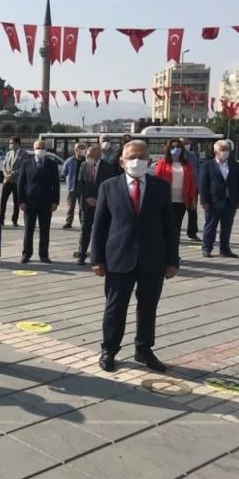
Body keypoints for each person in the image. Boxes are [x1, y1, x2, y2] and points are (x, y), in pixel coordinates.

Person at [91, 140, 177, 373]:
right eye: (131, 157)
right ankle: (109, 349)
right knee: (115, 307)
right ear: (122, 161)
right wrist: (97, 259)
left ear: (149, 161)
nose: (136, 161)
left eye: (141, 157)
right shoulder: (109, 187)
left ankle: (144, 349)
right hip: (119, 257)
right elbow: (99, 226)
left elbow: (170, 227)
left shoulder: (160, 187)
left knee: (148, 307)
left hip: (153, 258)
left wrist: (172, 261)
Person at [200, 140, 239, 258]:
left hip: (230, 202)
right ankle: (207, 248)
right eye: (223, 149)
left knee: (227, 227)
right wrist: (203, 201)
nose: (226, 152)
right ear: (216, 152)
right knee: (211, 226)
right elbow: (203, 184)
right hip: (213, 202)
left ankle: (225, 249)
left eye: (227, 149)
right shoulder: (207, 165)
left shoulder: (235, 165)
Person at [17, 140, 60, 263]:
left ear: (46, 149)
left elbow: (56, 184)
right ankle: (26, 254)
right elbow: (20, 184)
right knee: (28, 230)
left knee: (45, 230)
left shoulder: (52, 164)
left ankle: (44, 255)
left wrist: (55, 201)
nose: (40, 149)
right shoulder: (26, 164)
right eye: (38, 147)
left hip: (46, 203)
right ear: (34, 149)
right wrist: (21, 201)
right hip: (29, 203)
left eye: (42, 147)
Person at [76, 144, 115, 266]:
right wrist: (87, 197)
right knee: (85, 231)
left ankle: (99, 257)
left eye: (90, 156)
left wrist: (99, 199)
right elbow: (80, 184)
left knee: (101, 231)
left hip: (102, 205)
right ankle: (81, 256)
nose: (87, 158)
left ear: (97, 156)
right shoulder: (84, 165)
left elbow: (111, 186)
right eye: (87, 155)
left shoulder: (108, 168)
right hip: (87, 205)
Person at [153, 139, 197, 245]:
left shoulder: (186, 165)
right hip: (166, 201)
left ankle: (174, 254)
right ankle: (163, 253)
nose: (175, 149)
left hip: (181, 201)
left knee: (176, 228)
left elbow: (192, 183)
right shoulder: (162, 163)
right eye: (172, 147)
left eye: (178, 147)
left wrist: (193, 198)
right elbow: (156, 180)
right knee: (165, 227)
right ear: (168, 149)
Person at [0, 136, 26, 227]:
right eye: (10, 143)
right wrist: (6, 175)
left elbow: (23, 168)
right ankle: (1, 219)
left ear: (17, 143)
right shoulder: (8, 153)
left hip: (16, 181)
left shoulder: (24, 154)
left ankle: (14, 220)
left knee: (16, 202)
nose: (10, 145)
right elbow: (4, 165)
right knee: (3, 200)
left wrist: (12, 174)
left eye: (12, 143)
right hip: (7, 180)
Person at [179, 137, 200, 241]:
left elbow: (197, 171)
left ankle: (192, 233)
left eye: (188, 143)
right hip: (178, 189)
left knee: (192, 212)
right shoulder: (175, 156)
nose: (187, 145)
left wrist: (198, 187)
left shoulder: (193, 155)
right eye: (184, 143)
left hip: (192, 189)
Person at [61, 143, 86, 229]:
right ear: (76, 150)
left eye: (84, 148)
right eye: (81, 148)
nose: (83, 150)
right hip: (72, 188)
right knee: (70, 207)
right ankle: (68, 222)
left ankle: (82, 222)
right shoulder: (69, 161)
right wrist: (69, 179)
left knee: (82, 207)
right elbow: (64, 172)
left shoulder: (86, 160)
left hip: (83, 188)